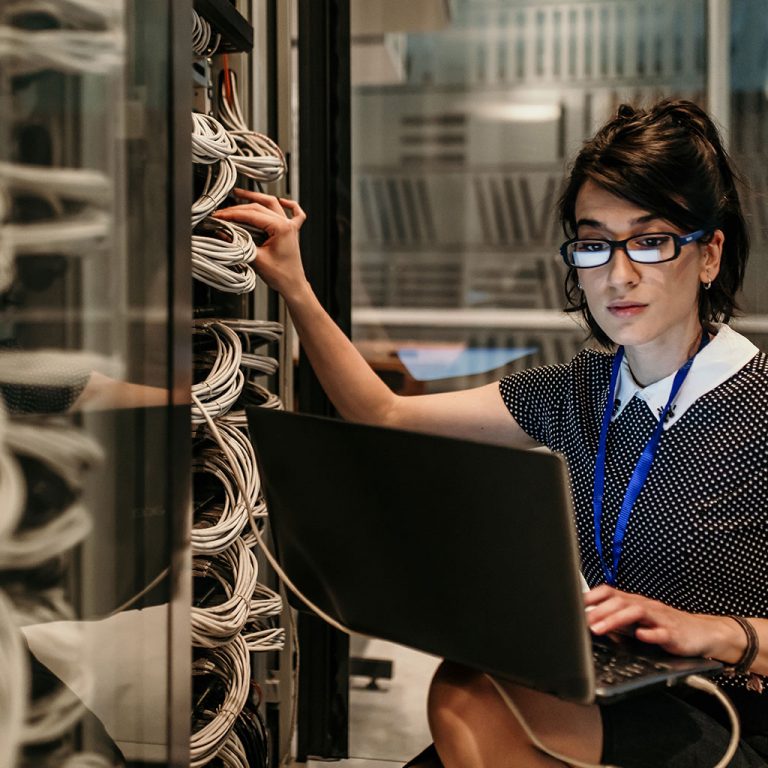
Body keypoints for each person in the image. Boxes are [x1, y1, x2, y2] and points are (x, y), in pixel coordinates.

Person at [214, 98, 768, 767]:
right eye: (595, 244)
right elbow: (383, 415)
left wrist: (716, 634)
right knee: (468, 692)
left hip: (730, 715)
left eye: (650, 241)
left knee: (469, 701)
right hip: (605, 690)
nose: (618, 275)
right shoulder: (575, 391)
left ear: (709, 254)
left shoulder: (758, 403)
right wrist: (296, 287)